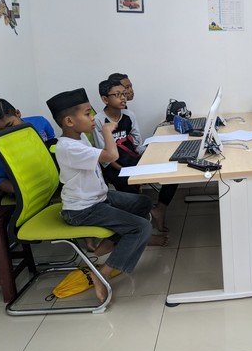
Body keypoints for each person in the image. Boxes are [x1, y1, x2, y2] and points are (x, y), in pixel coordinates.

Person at [46, 88, 166, 304]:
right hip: (82, 210)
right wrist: (107, 131)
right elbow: (111, 155)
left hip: (98, 198)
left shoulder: (79, 138)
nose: (93, 118)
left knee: (143, 202)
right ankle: (103, 274)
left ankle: (113, 243)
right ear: (69, 121)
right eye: (87, 114)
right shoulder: (68, 148)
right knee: (141, 227)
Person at [93, 79, 175, 232]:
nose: (123, 98)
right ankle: (140, 228)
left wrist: (154, 153)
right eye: (118, 95)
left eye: (124, 94)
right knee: (130, 190)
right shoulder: (98, 121)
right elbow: (103, 156)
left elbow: (137, 145)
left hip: (132, 161)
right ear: (105, 99)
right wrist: (126, 171)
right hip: (114, 167)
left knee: (172, 172)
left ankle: (160, 210)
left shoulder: (129, 115)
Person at [0, 97, 56, 196]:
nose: (8, 132)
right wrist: (19, 190)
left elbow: (51, 141)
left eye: (10, 125)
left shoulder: (41, 122)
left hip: (49, 175)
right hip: (25, 189)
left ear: (17, 113)